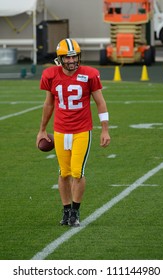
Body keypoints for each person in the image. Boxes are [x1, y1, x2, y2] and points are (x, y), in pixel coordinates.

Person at [36, 38, 110, 227]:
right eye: (67, 57)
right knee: (63, 173)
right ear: (59, 59)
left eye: (74, 56)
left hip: (82, 130)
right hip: (60, 130)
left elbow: (100, 103)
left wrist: (105, 129)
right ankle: (66, 210)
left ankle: (75, 212)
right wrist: (42, 129)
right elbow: (49, 103)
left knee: (77, 172)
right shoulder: (50, 75)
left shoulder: (90, 74)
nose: (71, 61)